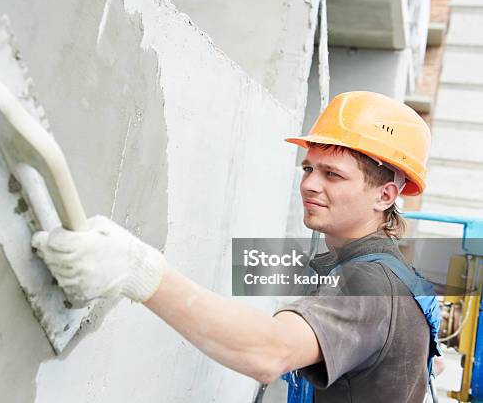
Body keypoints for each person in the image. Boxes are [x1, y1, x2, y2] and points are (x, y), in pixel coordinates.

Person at [32, 91, 440, 402]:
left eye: (333, 174)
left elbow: (270, 352)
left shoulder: (369, 283)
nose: (310, 184)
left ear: (385, 196)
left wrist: (138, 270)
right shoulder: (388, 274)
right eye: (309, 168)